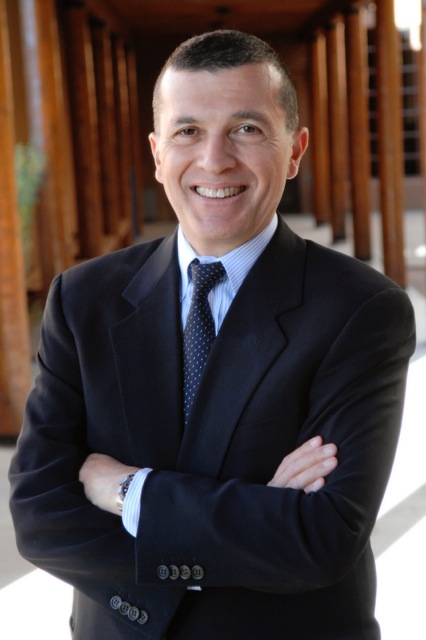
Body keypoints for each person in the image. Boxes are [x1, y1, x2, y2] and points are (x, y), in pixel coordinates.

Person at [9, 30, 415, 640]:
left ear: (295, 149)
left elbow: (322, 535)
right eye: (188, 131)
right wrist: (256, 518)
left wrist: (129, 490)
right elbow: (39, 515)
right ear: (157, 153)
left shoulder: (361, 310)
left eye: (247, 129)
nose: (215, 160)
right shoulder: (82, 299)